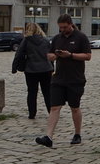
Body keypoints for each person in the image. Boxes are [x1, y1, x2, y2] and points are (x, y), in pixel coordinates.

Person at [36, 14, 91, 147]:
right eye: (60, 27)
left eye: (65, 27)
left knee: (74, 108)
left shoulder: (81, 37)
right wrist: (53, 56)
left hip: (75, 79)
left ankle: (77, 133)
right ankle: (48, 136)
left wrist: (70, 55)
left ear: (70, 24)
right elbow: (49, 54)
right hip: (58, 78)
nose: (62, 30)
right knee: (54, 107)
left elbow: (88, 56)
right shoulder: (56, 38)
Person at [13, 22, 53, 119]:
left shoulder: (27, 40)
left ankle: (32, 113)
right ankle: (51, 112)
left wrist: (14, 67)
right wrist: (52, 67)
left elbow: (19, 54)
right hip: (46, 69)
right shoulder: (46, 40)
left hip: (31, 70)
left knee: (32, 92)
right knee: (47, 92)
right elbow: (50, 55)